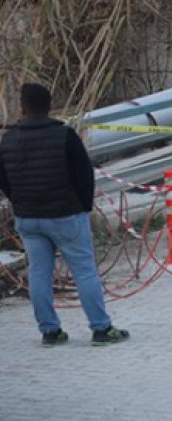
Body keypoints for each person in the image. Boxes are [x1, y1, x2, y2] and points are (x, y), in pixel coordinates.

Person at [0, 83, 129, 347]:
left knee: (39, 272)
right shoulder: (65, 135)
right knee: (84, 271)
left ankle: (50, 331)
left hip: (28, 217)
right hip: (65, 215)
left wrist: (20, 202)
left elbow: (4, 179)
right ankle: (101, 328)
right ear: (49, 107)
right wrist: (83, 206)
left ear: (22, 108)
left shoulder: (8, 139)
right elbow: (84, 175)